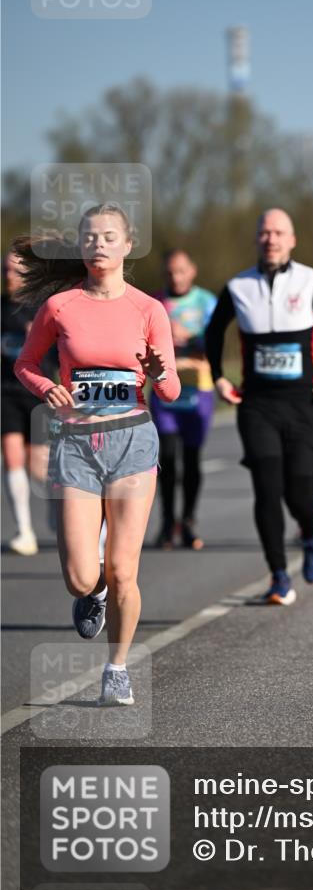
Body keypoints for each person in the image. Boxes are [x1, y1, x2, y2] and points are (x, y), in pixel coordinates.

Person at [14, 204, 180, 705]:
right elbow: (25, 364)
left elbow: (170, 391)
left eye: (110, 236)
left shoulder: (149, 309)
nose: (100, 244)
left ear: (128, 246)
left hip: (133, 441)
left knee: (124, 569)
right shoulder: (60, 307)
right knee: (82, 577)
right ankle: (95, 594)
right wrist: (47, 388)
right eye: (90, 237)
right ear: (81, 246)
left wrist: (157, 372)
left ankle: (117, 667)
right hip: (77, 447)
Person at [205, 208, 313, 606]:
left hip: (306, 405)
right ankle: (277, 576)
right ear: (257, 238)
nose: (271, 238)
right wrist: (219, 375)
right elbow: (213, 330)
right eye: (264, 232)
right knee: (267, 490)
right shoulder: (238, 286)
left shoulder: (311, 281)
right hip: (258, 406)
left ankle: (310, 528)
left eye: (279, 232)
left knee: (297, 491)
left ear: (292, 239)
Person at [151, 249, 217, 550]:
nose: (175, 277)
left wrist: (188, 338)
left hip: (197, 389)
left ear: (193, 270)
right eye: (170, 272)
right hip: (164, 390)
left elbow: (216, 341)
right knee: (166, 457)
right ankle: (167, 522)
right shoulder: (154, 303)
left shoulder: (206, 301)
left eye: (181, 271)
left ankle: (188, 520)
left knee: (191, 459)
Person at [2, 250, 54, 554]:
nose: (9, 276)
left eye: (15, 271)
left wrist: (41, 336)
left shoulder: (43, 307)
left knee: (38, 467)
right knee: (11, 458)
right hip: (6, 391)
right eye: (5, 270)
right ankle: (24, 531)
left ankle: (52, 505)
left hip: (39, 391)